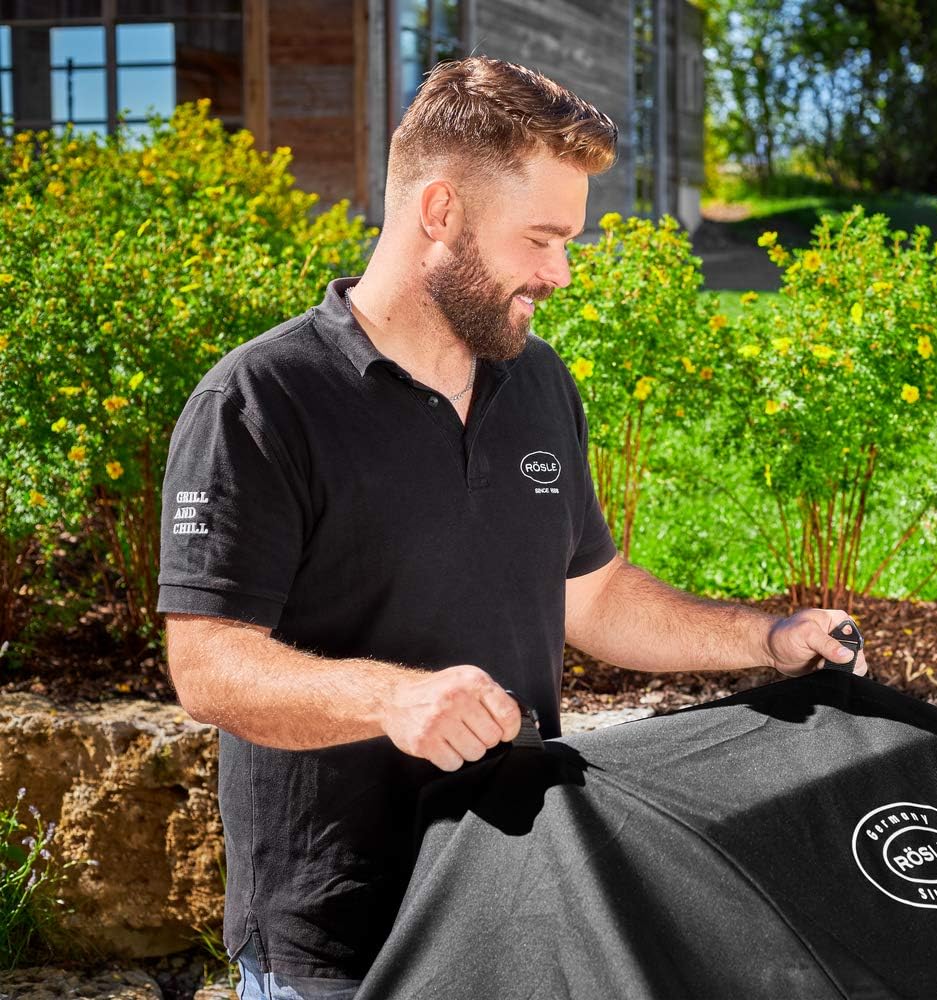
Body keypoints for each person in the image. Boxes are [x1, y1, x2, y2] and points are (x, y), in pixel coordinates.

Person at [156, 57, 869, 999]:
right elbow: (208, 666)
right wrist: (393, 700)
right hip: (336, 942)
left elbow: (595, 597)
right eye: (540, 239)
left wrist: (768, 639)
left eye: (567, 241)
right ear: (440, 210)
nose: (560, 273)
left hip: (519, 913)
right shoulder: (261, 401)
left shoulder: (539, 384)